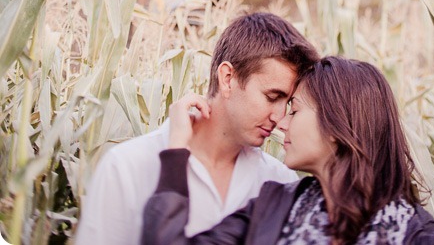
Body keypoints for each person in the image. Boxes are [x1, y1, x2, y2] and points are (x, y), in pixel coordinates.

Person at [141, 56, 434, 245]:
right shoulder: (272, 208)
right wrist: (178, 148)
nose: (281, 123)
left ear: (336, 127)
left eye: (294, 110)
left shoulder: (418, 235)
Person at [75, 12, 319, 245]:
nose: (279, 117)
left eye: (287, 104)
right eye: (271, 96)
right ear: (227, 78)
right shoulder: (127, 166)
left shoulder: (278, 180)